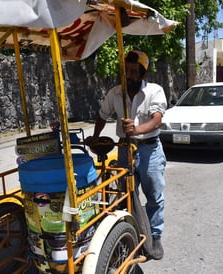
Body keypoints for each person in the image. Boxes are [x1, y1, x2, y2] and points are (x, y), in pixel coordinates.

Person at [85, 50, 167, 260]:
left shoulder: (154, 91)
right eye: (125, 70)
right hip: (124, 149)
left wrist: (136, 130)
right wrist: (95, 137)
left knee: (154, 196)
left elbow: (157, 120)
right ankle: (131, 232)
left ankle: (154, 236)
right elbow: (102, 115)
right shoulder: (115, 93)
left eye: (133, 71)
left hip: (149, 148)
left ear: (142, 74)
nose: (128, 75)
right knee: (126, 194)